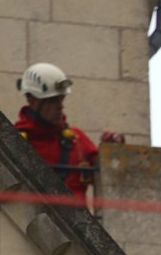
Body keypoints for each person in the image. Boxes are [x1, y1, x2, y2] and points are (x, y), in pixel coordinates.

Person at [13, 63, 124, 204]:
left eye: (61, 99)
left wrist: (114, 150)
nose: (60, 106)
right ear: (32, 100)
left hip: (78, 224)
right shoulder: (14, 143)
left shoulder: (76, 141)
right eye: (53, 100)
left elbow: (110, 175)